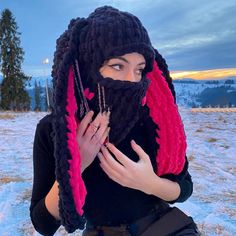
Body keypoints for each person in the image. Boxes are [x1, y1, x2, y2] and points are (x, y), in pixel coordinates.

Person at [30, 6, 200, 236]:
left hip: (164, 228)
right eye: (118, 66)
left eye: (139, 70)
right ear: (88, 67)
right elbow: (43, 223)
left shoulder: (152, 118)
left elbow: (184, 188)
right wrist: (75, 165)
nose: (132, 81)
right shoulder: (54, 130)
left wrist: (149, 183)